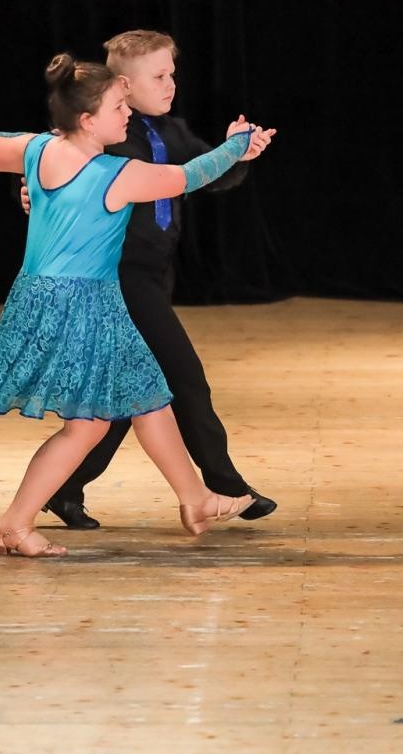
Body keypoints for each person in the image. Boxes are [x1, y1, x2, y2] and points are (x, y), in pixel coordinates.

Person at [0, 54, 263, 560]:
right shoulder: (115, 173)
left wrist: (41, 152)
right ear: (87, 119)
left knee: (148, 396)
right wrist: (237, 145)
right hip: (80, 304)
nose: (127, 115)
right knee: (90, 423)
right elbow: (188, 176)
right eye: (118, 106)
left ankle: (195, 499)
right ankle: (14, 524)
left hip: (50, 297)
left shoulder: (41, 151)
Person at [34, 30, 276, 531]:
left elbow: (206, 173)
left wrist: (238, 154)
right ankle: (225, 485)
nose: (171, 84)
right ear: (123, 84)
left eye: (173, 73)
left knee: (125, 399)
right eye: (159, 76)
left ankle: (64, 489)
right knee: (183, 378)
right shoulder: (106, 135)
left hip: (153, 274)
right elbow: (60, 176)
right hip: (117, 278)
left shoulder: (169, 130)